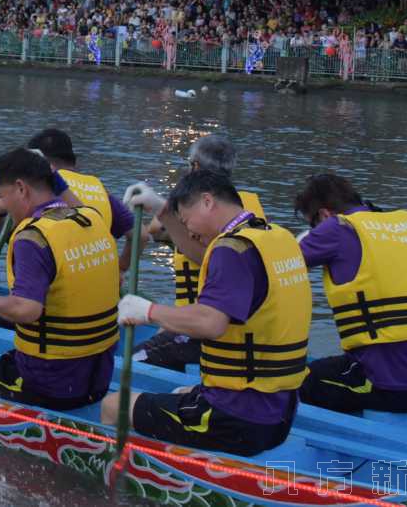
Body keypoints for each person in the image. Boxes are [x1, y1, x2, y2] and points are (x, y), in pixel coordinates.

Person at [102, 170, 310, 457]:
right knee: (181, 393)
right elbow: (202, 255)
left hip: (236, 418)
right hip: (280, 411)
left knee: (113, 407)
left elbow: (211, 323)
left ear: (208, 201)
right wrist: (164, 209)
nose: (188, 232)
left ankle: (118, 485)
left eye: (187, 221)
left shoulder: (231, 250)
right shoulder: (273, 238)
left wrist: (147, 310)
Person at [0, 148, 118, 411]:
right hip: (97, 377)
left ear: (21, 188)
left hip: (50, 382)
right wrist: (57, 181)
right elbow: (76, 205)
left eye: (3, 194)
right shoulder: (92, 219)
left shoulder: (33, 237)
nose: (5, 206)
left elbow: (28, 309)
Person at [293, 174, 407, 414]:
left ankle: (339, 443)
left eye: (313, 224)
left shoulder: (337, 228)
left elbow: (276, 263)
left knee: (291, 384)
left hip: (391, 387)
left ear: (325, 215)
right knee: (338, 370)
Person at [124, 134, 266, 371]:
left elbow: (159, 231)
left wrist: (165, 209)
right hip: (215, 323)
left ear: (195, 167)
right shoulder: (248, 205)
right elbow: (159, 231)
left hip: (207, 325)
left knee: (134, 361)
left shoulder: (205, 212)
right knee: (160, 341)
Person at [0, 127, 134, 243]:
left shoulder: (35, 182)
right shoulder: (101, 192)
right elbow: (140, 236)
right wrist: (121, 268)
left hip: (46, 272)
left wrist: (11, 201)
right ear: (74, 161)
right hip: (94, 275)